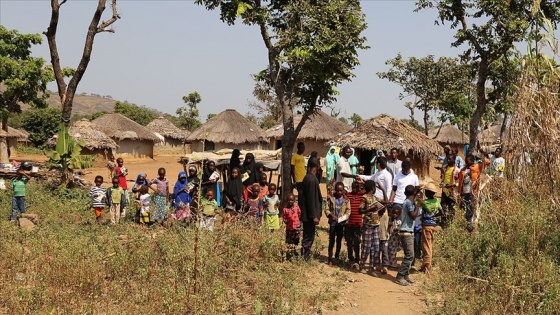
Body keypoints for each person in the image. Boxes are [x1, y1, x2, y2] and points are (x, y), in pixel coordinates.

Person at [395, 185, 423, 286]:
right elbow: (413, 216)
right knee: (409, 255)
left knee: (410, 255)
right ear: (413, 194)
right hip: (406, 232)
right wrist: (418, 205)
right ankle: (400, 275)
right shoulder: (408, 203)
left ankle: (406, 275)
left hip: (407, 231)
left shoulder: (408, 201)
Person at [358, 180, 386, 275]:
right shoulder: (364, 198)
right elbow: (360, 210)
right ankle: (362, 265)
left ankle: (371, 268)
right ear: (373, 188)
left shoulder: (375, 198)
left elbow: (386, 202)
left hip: (376, 225)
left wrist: (383, 191)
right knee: (366, 246)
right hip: (368, 225)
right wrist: (370, 209)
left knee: (376, 247)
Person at [299, 156, 323, 261]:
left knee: (308, 236)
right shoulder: (311, 179)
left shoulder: (309, 178)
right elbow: (311, 199)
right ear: (317, 166)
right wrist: (314, 216)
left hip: (308, 213)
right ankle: (304, 257)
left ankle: (305, 256)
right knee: (308, 237)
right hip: (309, 215)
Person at [324, 182, 350, 265]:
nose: (339, 192)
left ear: (343, 191)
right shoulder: (331, 198)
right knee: (331, 240)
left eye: (341, 191)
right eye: (338, 190)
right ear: (335, 190)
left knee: (339, 241)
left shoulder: (346, 200)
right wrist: (331, 215)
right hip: (333, 223)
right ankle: (330, 258)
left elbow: (348, 211)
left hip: (341, 224)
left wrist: (343, 218)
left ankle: (337, 257)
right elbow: (326, 209)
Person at [421, 182, 442, 273]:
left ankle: (427, 266)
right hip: (433, 225)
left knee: (426, 247)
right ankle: (426, 266)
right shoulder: (437, 202)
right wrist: (434, 216)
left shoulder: (424, 203)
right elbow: (442, 213)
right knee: (430, 246)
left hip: (426, 226)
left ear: (427, 193)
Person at [458, 154, 482, 226]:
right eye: (466, 161)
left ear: (472, 161)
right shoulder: (463, 169)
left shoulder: (477, 167)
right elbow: (460, 181)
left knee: (470, 207)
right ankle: (468, 222)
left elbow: (487, 162)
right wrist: (460, 191)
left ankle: (470, 223)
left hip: (472, 191)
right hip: (465, 191)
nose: (467, 162)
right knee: (465, 207)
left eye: (468, 161)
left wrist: (480, 157)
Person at [345, 181, 363, 269]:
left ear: (359, 187)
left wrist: (363, 181)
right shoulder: (348, 195)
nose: (355, 189)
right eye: (353, 187)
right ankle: (350, 258)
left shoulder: (361, 195)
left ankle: (357, 260)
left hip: (358, 224)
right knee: (349, 242)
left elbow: (369, 189)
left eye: (357, 187)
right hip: (349, 224)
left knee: (357, 242)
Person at [441, 156, 459, 226]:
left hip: (452, 192)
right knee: (443, 206)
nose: (448, 160)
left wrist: (451, 185)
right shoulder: (445, 168)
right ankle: (443, 222)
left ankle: (450, 223)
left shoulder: (457, 170)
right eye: (448, 159)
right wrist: (442, 183)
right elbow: (444, 178)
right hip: (444, 191)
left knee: (451, 207)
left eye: (450, 159)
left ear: (453, 160)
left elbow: (458, 182)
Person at [283, 193, 301, 261]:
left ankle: (295, 255)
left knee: (296, 241)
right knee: (288, 242)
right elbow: (284, 217)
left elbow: (299, 214)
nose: (290, 201)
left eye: (292, 200)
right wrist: (285, 221)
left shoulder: (297, 208)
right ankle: (288, 256)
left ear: (294, 201)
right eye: (289, 200)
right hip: (289, 228)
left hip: (296, 228)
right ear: (287, 200)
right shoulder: (285, 209)